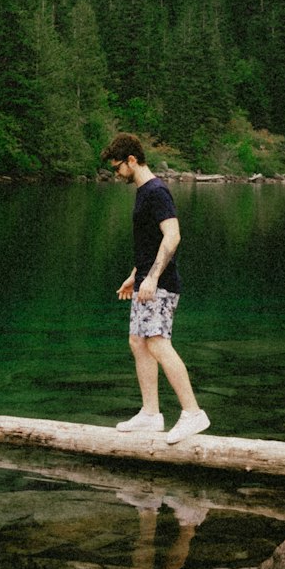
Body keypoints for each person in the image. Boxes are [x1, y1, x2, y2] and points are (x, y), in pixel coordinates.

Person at [102, 132, 210, 443]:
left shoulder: (157, 192)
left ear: (132, 160)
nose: (117, 173)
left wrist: (151, 278)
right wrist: (135, 275)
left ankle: (193, 413)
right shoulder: (143, 191)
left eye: (118, 167)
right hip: (146, 281)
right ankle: (151, 415)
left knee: (158, 342)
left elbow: (172, 236)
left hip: (159, 285)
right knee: (138, 342)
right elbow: (149, 243)